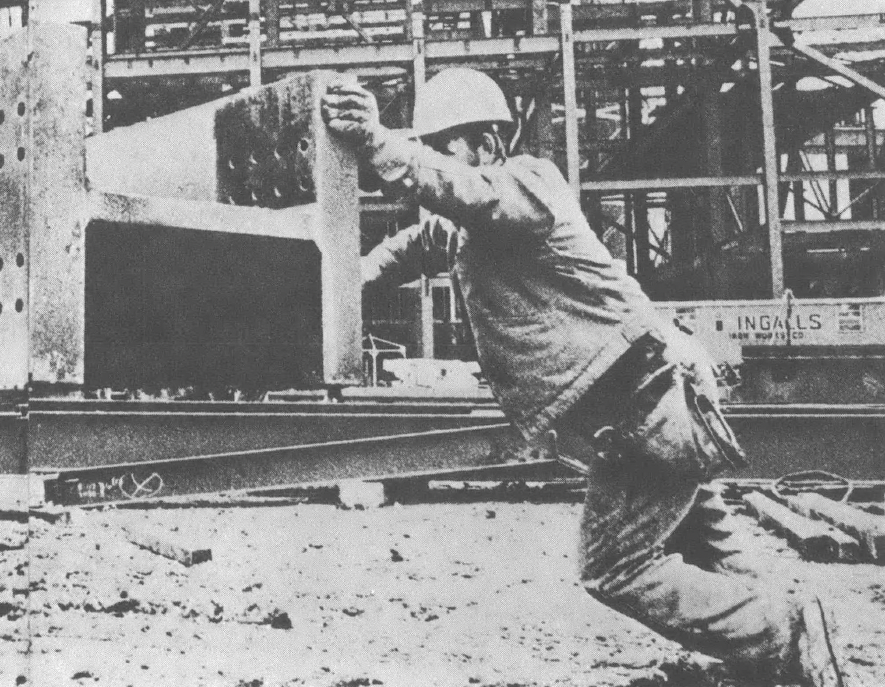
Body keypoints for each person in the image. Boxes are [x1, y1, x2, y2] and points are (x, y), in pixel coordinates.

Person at [321, 68, 845, 687]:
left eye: (443, 145)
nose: (434, 159)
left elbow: (460, 191)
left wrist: (382, 140)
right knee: (707, 546)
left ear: (488, 143)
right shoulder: (480, 225)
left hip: (639, 409)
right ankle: (776, 650)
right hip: (646, 403)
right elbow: (417, 241)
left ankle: (780, 631)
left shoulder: (527, 186)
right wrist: (339, 281)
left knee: (613, 568)